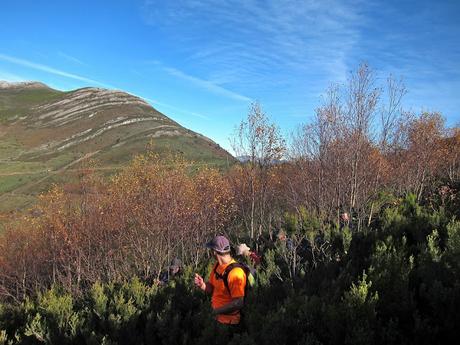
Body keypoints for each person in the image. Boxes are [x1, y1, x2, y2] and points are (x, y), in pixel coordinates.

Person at [194, 235, 247, 325]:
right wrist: (202, 285)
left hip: (230, 323)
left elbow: (238, 303)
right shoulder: (217, 266)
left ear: (214, 252)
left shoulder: (235, 273)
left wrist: (215, 311)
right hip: (216, 319)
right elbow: (213, 289)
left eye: (211, 250)